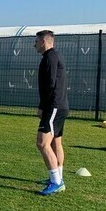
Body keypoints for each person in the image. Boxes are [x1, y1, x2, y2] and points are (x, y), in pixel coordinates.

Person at [34, 30, 69, 195]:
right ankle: (58, 177)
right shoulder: (55, 56)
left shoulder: (49, 58)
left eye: (36, 41)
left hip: (53, 106)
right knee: (56, 143)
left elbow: (50, 84)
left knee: (42, 143)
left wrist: (42, 106)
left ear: (43, 41)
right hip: (61, 106)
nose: (34, 45)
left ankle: (56, 182)